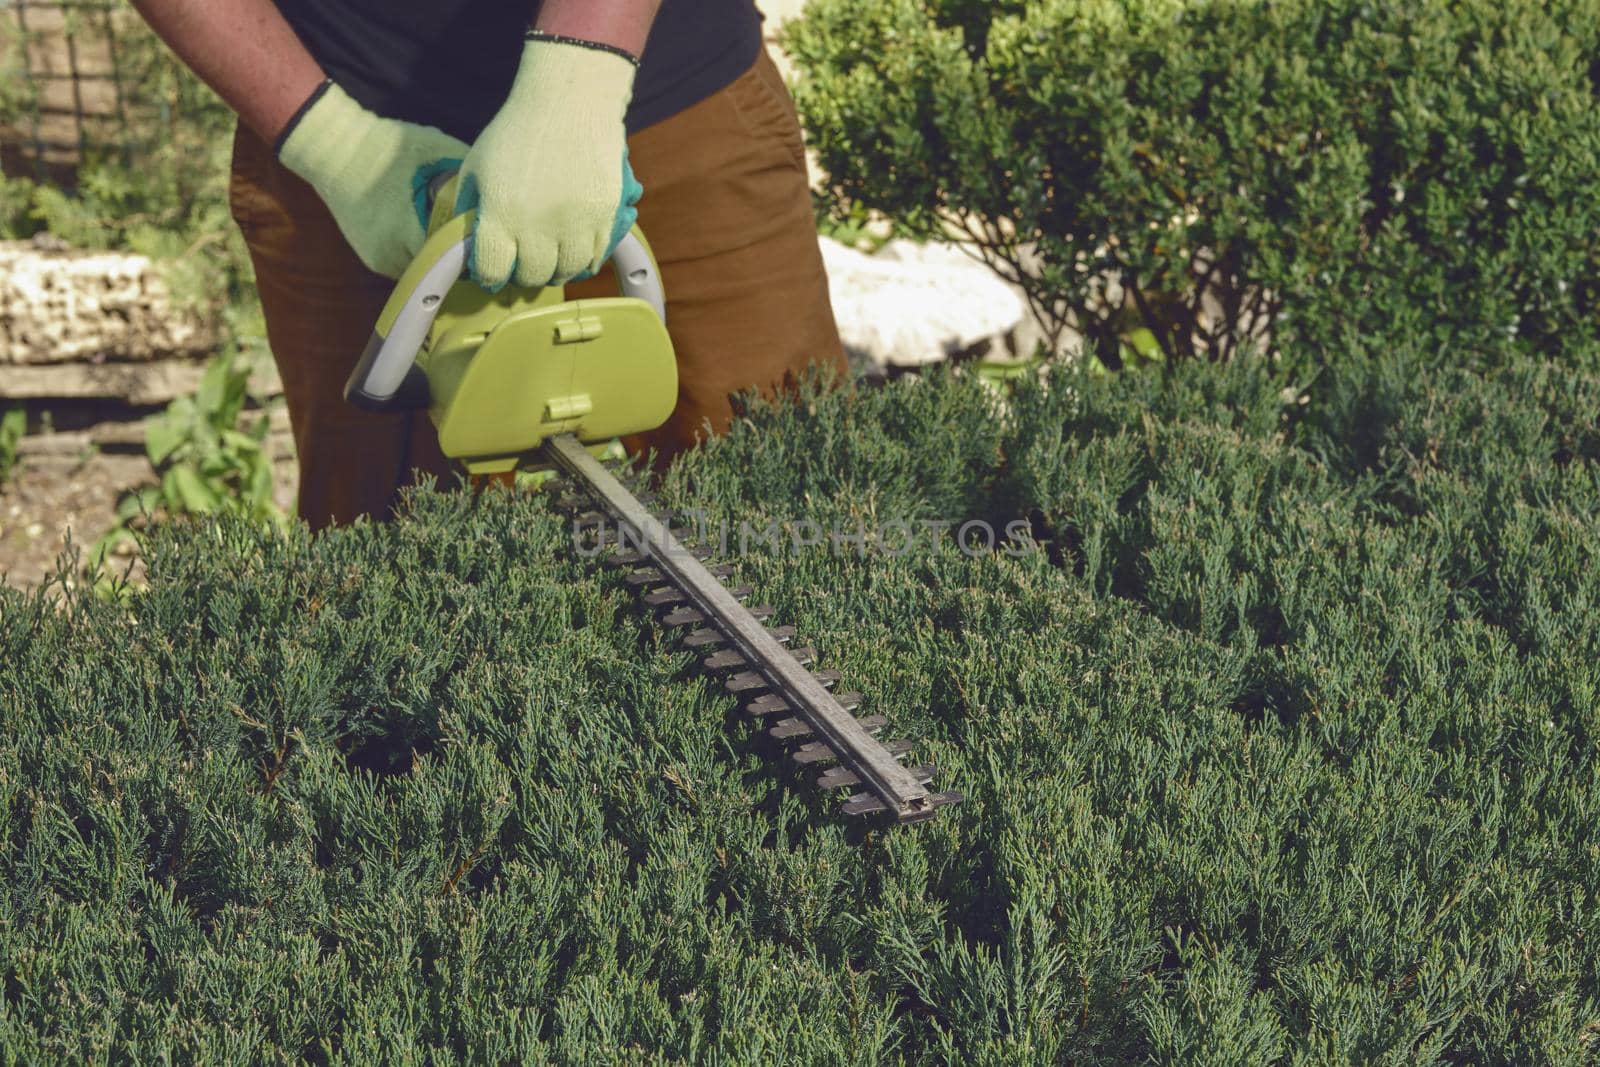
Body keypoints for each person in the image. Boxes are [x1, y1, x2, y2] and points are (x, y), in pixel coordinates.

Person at [130, 0, 846, 529]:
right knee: (390, 577)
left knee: (790, 515)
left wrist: (579, 76)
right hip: (347, 137)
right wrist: (335, 147)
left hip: (671, 100)